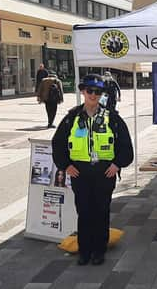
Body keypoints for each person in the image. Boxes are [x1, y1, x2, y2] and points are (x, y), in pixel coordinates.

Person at [52, 74, 134, 266]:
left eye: (97, 92)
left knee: (101, 210)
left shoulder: (111, 118)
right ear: (83, 92)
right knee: (84, 211)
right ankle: (84, 250)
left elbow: (125, 146)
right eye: (90, 91)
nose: (93, 95)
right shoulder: (72, 117)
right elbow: (58, 144)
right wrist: (66, 165)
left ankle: (99, 250)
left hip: (104, 173)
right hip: (80, 172)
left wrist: (117, 164)